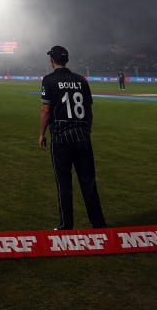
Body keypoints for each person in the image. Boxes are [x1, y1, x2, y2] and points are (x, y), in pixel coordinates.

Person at [38, 45, 107, 230]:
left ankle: (66, 225)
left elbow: (46, 110)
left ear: (52, 60)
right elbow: (89, 110)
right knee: (88, 182)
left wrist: (41, 134)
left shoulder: (49, 80)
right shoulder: (81, 80)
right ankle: (99, 224)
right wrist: (87, 130)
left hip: (61, 138)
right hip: (82, 136)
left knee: (64, 184)